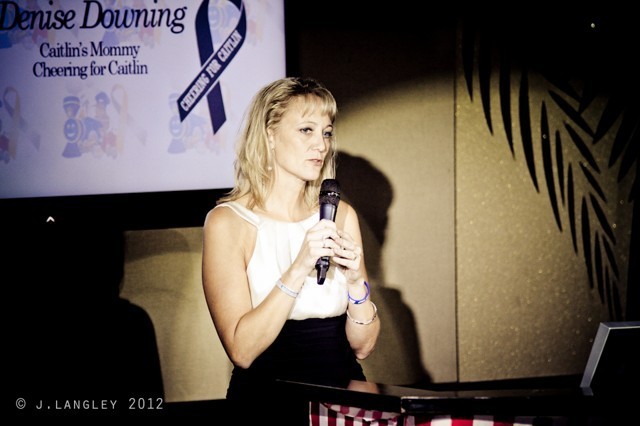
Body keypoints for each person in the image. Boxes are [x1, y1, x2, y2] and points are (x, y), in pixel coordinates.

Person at [202, 77, 381, 404]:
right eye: (306, 130)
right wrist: (298, 267)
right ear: (269, 135)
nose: (321, 145)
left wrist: (357, 284)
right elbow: (241, 351)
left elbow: (364, 347)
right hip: (268, 397)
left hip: (339, 399)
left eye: (326, 133)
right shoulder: (228, 222)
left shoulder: (341, 215)